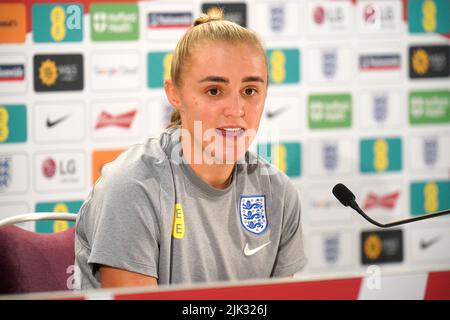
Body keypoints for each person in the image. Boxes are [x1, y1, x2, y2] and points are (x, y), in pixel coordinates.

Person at [74, 8, 306, 289]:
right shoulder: (131, 187)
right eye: (214, 91)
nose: (236, 110)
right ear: (174, 93)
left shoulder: (278, 192)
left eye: (249, 91)